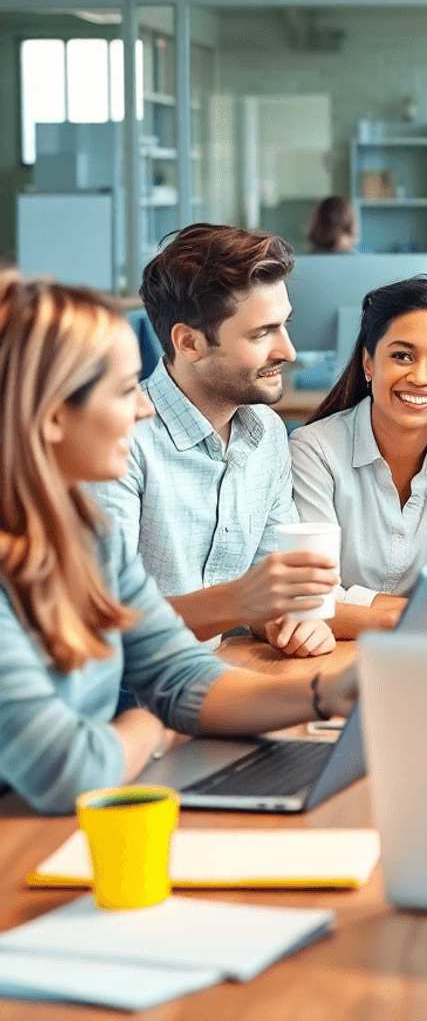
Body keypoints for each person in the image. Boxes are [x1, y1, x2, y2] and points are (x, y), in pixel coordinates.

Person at [0, 273, 357, 815]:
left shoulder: (85, 536)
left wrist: (330, 693)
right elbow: (71, 769)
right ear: (52, 416)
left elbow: (180, 676)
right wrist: (150, 725)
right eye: (124, 391)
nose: (143, 409)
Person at [91, 224, 339, 659]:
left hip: (212, 676)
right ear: (189, 343)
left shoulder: (268, 434)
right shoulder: (120, 441)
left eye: (285, 325)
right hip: (126, 693)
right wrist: (242, 601)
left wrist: (290, 623)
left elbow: (268, 595)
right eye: (262, 333)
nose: (289, 350)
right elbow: (105, 621)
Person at [289, 274, 427, 630]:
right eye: (402, 356)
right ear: (368, 363)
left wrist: (366, 612)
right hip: (328, 658)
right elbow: (312, 599)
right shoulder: (314, 452)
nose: (420, 377)